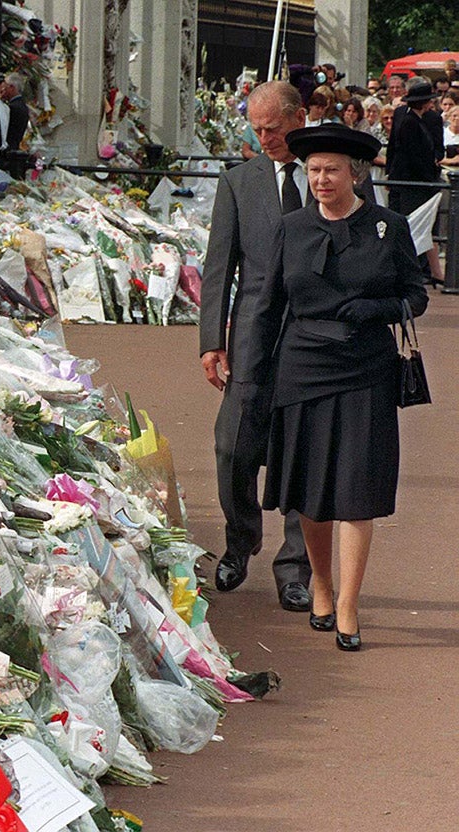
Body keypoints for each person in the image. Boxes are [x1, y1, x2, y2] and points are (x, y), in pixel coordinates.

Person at [261, 124, 428, 651]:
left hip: (365, 368)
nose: (320, 179)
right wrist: (249, 370)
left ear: (354, 173)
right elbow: (266, 304)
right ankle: (323, 587)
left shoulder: (389, 225)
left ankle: (350, 605)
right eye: (312, 170)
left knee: (357, 491)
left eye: (331, 169)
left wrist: (377, 308)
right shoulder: (291, 228)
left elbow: (415, 295)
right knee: (312, 492)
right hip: (303, 366)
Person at [199, 81, 312, 612]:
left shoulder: (333, 173)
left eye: (273, 128)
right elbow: (219, 267)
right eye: (256, 128)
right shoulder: (238, 182)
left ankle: (296, 569)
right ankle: (240, 543)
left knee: (304, 452)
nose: (262, 137)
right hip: (251, 336)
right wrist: (210, 342)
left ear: (300, 118)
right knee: (232, 446)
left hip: (316, 338)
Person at [387, 76, 445, 284]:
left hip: (416, 180)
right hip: (411, 182)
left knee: (423, 225)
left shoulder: (419, 119)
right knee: (410, 223)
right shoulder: (409, 121)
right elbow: (408, 152)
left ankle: (430, 271)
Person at [1, 74, 30, 153]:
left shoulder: (12, 107)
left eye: (4, 89)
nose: (2, 92)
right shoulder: (23, 105)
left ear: (11, 88)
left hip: (8, 150)